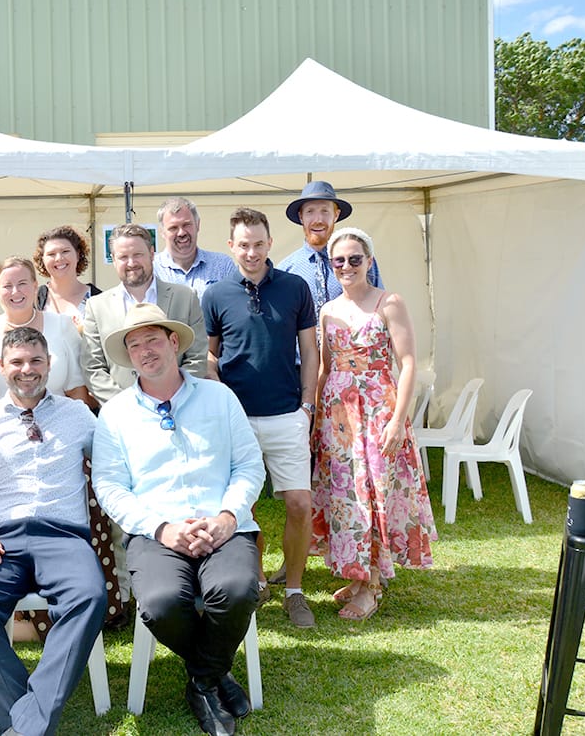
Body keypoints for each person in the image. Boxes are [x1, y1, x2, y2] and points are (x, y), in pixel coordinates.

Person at [93, 303, 264, 736]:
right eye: (135, 345)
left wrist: (227, 517)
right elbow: (109, 486)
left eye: (153, 339)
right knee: (161, 603)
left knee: (236, 590)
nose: (145, 350)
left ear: (174, 342)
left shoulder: (219, 398)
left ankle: (203, 681)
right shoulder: (115, 414)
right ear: (129, 356)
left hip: (223, 526)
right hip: (156, 532)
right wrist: (162, 529)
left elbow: (249, 465)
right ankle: (214, 673)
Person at [0, 326, 106, 736]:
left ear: (49, 364)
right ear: (2, 368)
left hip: (63, 536)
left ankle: (25, 726)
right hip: (0, 538)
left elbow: (114, 465)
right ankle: (28, 719)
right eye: (17, 362)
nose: (27, 369)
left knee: (89, 596)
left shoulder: (78, 415)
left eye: (36, 360)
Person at [311, 227, 436, 621]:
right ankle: (357, 572)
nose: (346, 266)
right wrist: (316, 417)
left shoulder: (389, 303)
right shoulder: (327, 310)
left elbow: (409, 363)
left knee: (374, 492)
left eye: (355, 259)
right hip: (338, 418)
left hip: (378, 411)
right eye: (339, 260)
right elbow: (326, 367)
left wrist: (398, 420)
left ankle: (372, 586)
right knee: (346, 494)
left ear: (369, 261)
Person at [203, 208, 319, 629]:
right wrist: (220, 394)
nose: (251, 252)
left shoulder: (295, 287)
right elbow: (210, 354)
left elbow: (310, 351)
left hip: (287, 413)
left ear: (270, 243)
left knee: (300, 504)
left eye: (258, 244)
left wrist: (307, 404)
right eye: (243, 245)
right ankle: (256, 581)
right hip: (237, 419)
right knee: (243, 506)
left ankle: (294, 591)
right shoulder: (215, 294)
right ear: (231, 247)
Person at [82, 223, 208, 406]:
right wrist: (129, 406)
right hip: (123, 413)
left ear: (151, 253)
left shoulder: (185, 297)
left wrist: (174, 398)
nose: (131, 263)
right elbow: (93, 368)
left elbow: (197, 357)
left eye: (137, 254)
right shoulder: (96, 306)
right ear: (114, 260)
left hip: (180, 406)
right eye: (123, 257)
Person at [0, 256, 94, 418]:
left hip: (56, 425)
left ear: (35, 286)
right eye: (7, 286)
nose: (15, 291)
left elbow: (77, 390)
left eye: (22, 283)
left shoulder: (62, 326)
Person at [277, 181, 383, 321]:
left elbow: (381, 309)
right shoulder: (285, 270)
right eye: (310, 212)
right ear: (301, 216)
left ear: (336, 215)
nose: (318, 220)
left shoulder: (359, 261)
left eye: (325, 211)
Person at [153, 197, 238, 297]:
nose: (181, 233)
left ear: (198, 224)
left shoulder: (223, 266)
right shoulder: (152, 270)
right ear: (162, 232)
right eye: (173, 228)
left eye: (186, 225)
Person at [32, 225, 102, 329]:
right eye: (51, 254)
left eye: (65, 251)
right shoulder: (33, 299)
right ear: (42, 259)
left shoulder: (100, 300)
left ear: (78, 255)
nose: (59, 258)